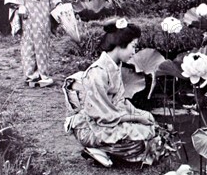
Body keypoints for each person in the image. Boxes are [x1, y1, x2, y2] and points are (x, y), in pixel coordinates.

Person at [63, 19, 168, 167]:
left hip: (108, 120)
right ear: (120, 45)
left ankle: (107, 152)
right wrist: (135, 118)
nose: (134, 52)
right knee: (138, 141)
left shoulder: (114, 67)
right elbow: (102, 115)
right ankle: (96, 149)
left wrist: (141, 115)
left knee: (150, 128)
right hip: (91, 126)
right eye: (133, 47)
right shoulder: (97, 72)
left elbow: (119, 102)